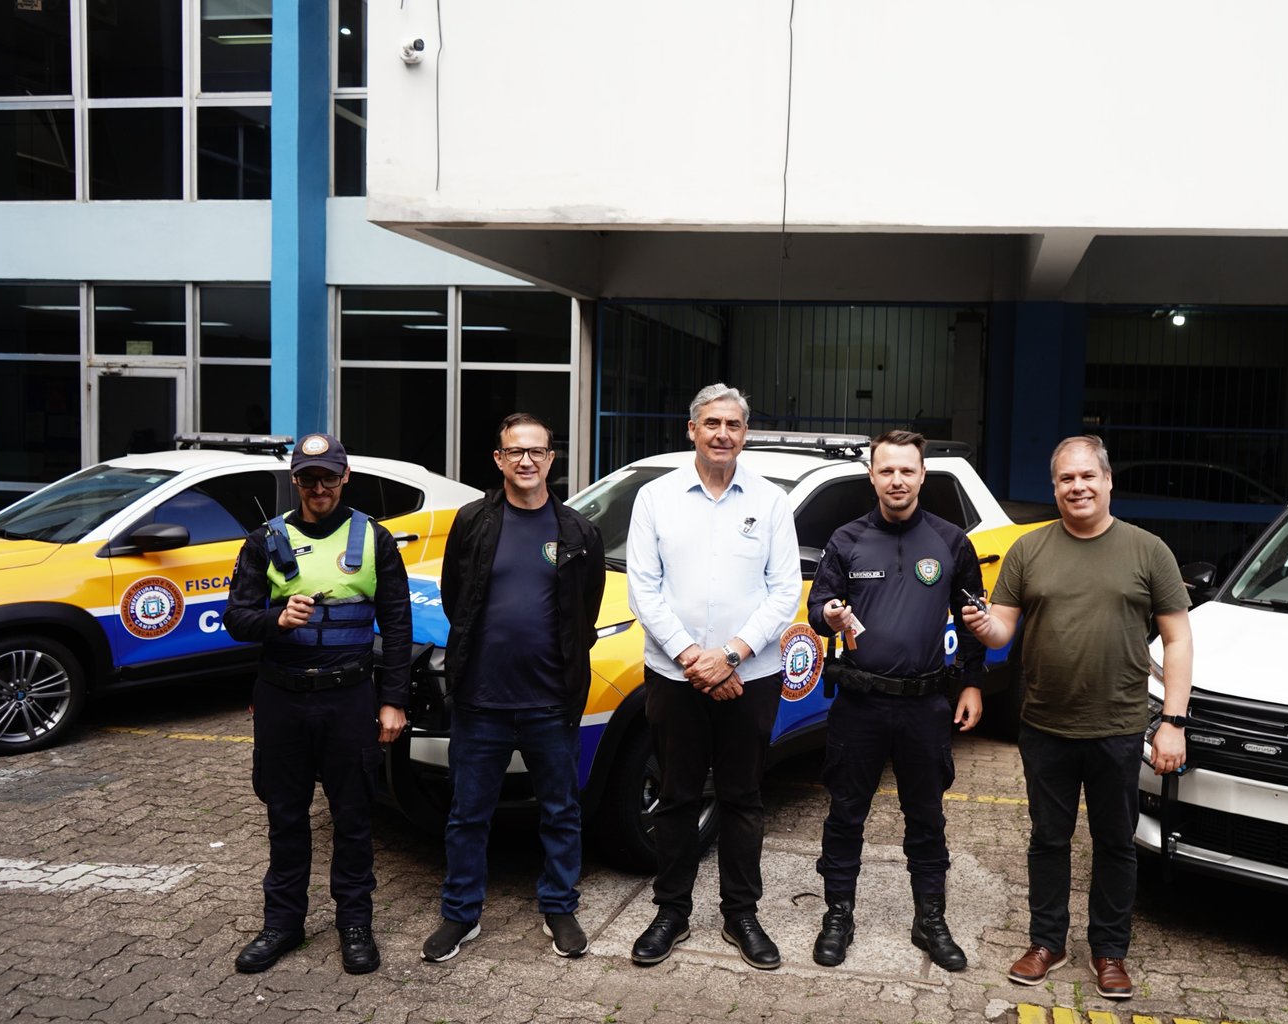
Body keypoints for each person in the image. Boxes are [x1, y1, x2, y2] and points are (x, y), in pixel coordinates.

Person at [960, 434, 1191, 1000]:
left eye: (1088, 476)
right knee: (1048, 839)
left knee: (1115, 842)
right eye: (1066, 478)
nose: (1078, 487)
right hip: (1044, 726)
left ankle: (1110, 951)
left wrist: (1173, 721)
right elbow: (1003, 630)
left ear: (1108, 480)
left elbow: (1178, 639)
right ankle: (1047, 943)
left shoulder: (1148, 550)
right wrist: (983, 625)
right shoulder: (1029, 550)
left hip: (1118, 726)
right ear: (1055, 486)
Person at [624, 383, 801, 969]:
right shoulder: (656, 497)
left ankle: (740, 914)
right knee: (676, 796)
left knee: (743, 797)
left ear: (745, 434)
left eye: (733, 424)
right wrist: (692, 658)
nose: (722, 433)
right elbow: (643, 589)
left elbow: (784, 592)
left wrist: (731, 655)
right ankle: (671, 911)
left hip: (751, 675)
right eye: (712, 423)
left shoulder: (771, 501)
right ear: (692, 430)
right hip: (675, 676)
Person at [421, 414, 606, 963]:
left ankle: (559, 906)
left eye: (537, 452)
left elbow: (585, 611)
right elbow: (457, 598)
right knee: (467, 814)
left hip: (551, 702)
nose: (527, 461)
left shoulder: (578, 532)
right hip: (481, 702)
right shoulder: (473, 521)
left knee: (561, 810)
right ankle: (461, 913)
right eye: (515, 452)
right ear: (499, 459)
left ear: (552, 459)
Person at [225, 432, 411, 976]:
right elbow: (236, 619)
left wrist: (393, 701)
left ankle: (355, 924)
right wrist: (276, 619)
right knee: (285, 816)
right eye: (308, 478)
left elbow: (397, 625)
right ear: (295, 481)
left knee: (352, 817)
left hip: (349, 699)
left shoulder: (374, 538)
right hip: (281, 699)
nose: (319, 488)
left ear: (345, 477)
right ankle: (283, 924)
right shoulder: (265, 540)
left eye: (329, 477)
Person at [806, 429, 986, 971]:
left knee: (926, 817)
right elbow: (818, 608)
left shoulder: (952, 542)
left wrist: (972, 683)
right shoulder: (846, 540)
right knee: (845, 814)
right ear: (872, 476)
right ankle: (838, 915)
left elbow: (972, 620)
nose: (897, 480)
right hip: (859, 703)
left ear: (922, 475)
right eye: (887, 470)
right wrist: (828, 615)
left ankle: (930, 918)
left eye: (907, 470)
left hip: (925, 704)